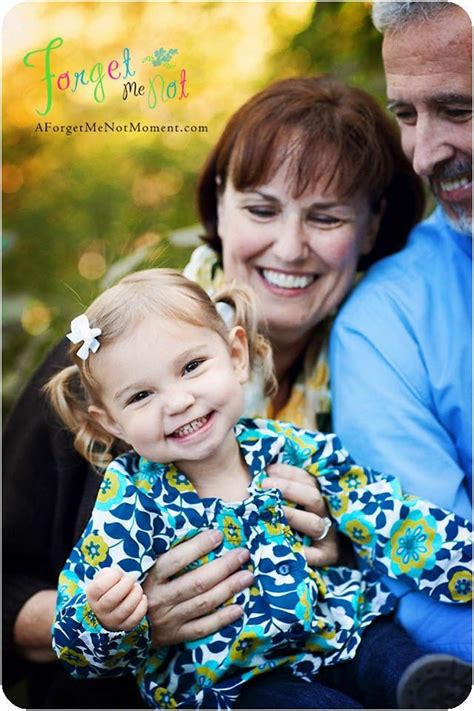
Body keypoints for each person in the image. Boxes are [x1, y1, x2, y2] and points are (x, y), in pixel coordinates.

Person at [3, 75, 425, 708]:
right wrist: (131, 619)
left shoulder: (383, 370)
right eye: (261, 209)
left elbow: (399, 530)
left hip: (333, 659)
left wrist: (337, 547)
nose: (289, 246)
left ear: (370, 230)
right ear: (219, 204)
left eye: (326, 216)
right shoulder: (99, 364)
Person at [48, 268, 472, 710]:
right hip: (234, 680)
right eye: (140, 396)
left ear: (235, 356)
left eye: (192, 367)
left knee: (391, 653)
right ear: (111, 421)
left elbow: (381, 510)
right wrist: (106, 621)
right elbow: (77, 639)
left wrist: (464, 558)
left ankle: (431, 691)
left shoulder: (286, 447)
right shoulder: (132, 500)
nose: (177, 402)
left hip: (339, 628)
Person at [330, 1, 473, 664]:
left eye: (460, 110)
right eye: (406, 115)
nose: (421, 155)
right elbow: (437, 587)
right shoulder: (388, 322)